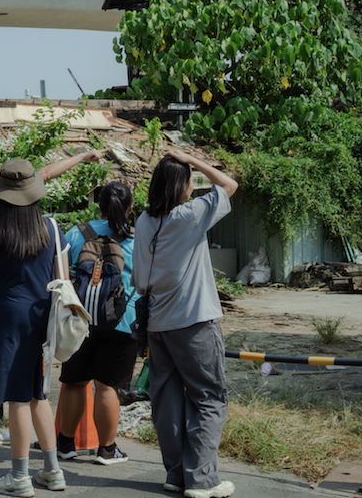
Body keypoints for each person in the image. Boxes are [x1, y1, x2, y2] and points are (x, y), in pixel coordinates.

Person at [0, 148, 106, 447]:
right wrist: (82, 157)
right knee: (28, 388)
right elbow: (62, 279)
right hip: (28, 308)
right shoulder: (45, 224)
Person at [131, 150, 239, 498]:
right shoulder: (190, 214)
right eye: (191, 180)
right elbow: (229, 184)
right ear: (183, 186)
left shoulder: (144, 221)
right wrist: (190, 158)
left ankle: (176, 474)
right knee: (209, 396)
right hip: (194, 322)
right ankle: (202, 479)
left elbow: (138, 281)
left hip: (157, 324)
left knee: (167, 399)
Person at [0, 159, 69, 496]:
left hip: (9, 317)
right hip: (44, 316)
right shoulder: (52, 228)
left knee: (17, 398)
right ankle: (53, 471)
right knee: (39, 393)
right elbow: (63, 281)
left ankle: (20, 477)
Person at [56, 181, 138, 466]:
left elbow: (63, 278)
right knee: (107, 387)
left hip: (81, 321)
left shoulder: (76, 234)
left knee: (74, 383)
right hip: (122, 323)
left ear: (98, 205)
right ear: (129, 208)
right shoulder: (136, 239)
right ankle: (107, 450)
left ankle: (65, 444)